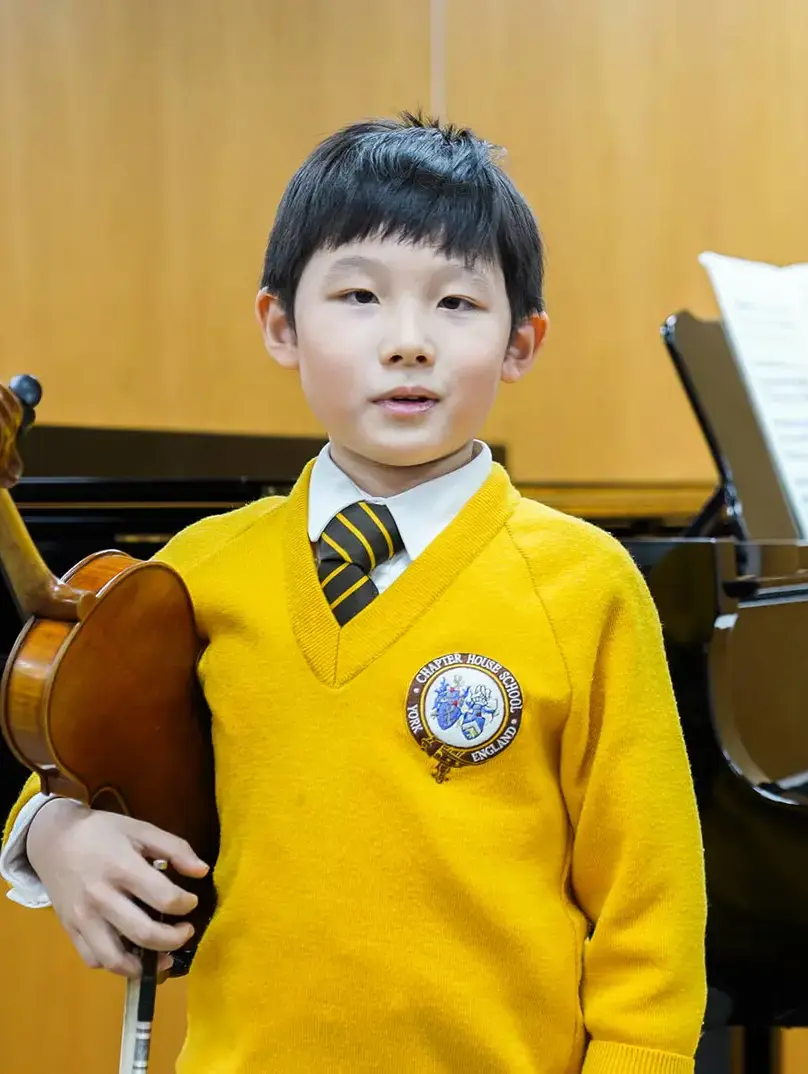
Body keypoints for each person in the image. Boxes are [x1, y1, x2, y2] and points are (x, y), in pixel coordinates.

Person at [0, 113, 708, 1073]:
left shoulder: (584, 585)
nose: (409, 342)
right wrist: (51, 834)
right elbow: (80, 753)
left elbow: (651, 904)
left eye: (458, 304)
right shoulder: (198, 572)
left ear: (522, 342)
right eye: (361, 296)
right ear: (281, 326)